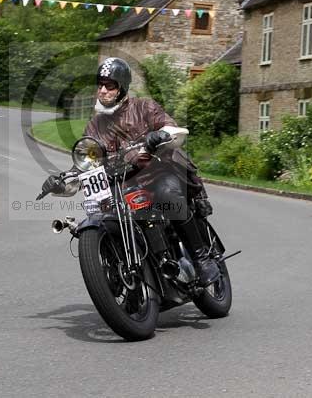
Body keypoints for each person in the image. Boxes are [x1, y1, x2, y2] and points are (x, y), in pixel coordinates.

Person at [41, 57, 219, 286]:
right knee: (105, 215)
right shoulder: (94, 126)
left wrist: (161, 134)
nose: (103, 90)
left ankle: (201, 258)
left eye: (110, 85)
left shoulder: (144, 107)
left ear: (122, 87)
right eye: (100, 84)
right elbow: (86, 166)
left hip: (156, 175)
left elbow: (172, 128)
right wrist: (62, 183)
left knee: (168, 196)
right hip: (122, 186)